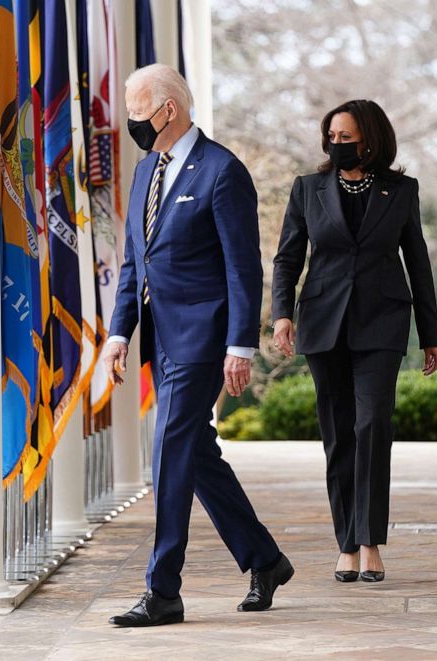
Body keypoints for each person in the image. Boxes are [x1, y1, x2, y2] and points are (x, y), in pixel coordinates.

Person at [101, 63, 292, 627]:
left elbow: (242, 268)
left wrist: (241, 345)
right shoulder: (145, 173)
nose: (133, 123)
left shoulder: (222, 171)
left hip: (204, 339)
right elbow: (136, 263)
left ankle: (163, 590)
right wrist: (118, 333)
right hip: (159, 337)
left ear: (170, 109)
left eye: (138, 113)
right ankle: (265, 559)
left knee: (168, 451)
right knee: (195, 454)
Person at [272, 99, 437, 583]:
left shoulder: (400, 190)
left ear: (370, 139)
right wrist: (282, 315)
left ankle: (370, 542)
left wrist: (429, 334)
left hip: (383, 322)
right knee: (338, 433)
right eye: (332, 137)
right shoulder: (308, 189)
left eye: (347, 137)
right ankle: (346, 543)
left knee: (372, 426)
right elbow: (287, 259)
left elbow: (419, 263)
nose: (337, 145)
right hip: (324, 322)